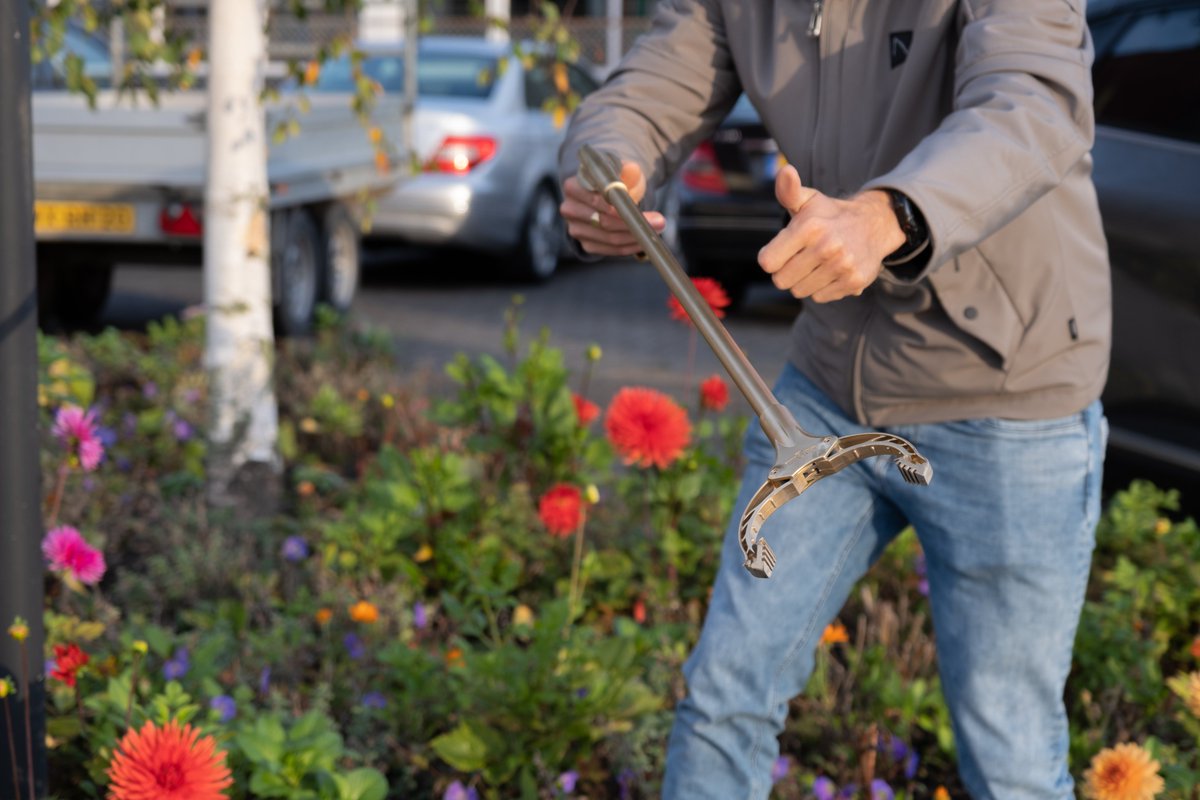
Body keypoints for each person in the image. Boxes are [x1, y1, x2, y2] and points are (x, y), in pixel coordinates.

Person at [557, 1, 1111, 797]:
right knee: (723, 700)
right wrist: (605, 167)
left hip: (1004, 393)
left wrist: (889, 217)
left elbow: (1032, 101)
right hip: (827, 386)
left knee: (1011, 760)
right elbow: (652, 85)